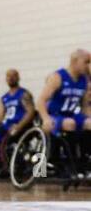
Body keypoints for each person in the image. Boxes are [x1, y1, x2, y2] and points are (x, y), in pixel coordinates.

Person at [37, 49, 90, 178]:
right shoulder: (58, 77)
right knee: (70, 123)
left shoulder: (84, 80)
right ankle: (69, 164)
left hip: (71, 114)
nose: (88, 66)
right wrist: (45, 119)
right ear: (75, 61)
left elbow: (84, 106)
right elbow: (41, 101)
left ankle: (84, 162)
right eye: (86, 62)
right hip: (54, 115)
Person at [0, 68, 34, 168]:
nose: (11, 78)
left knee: (2, 136)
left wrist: (19, 126)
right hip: (6, 126)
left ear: (18, 78)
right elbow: (0, 117)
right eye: (8, 76)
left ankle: (7, 164)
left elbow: (30, 112)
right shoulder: (4, 97)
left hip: (20, 126)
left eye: (13, 75)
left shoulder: (24, 94)